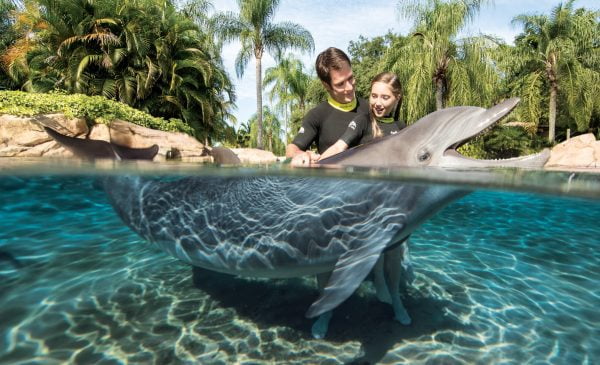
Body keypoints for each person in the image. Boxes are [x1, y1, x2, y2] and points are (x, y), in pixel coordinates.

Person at [285, 47, 369, 166]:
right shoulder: (317, 115)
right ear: (326, 85)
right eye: (340, 84)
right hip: (334, 182)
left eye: (350, 78)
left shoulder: (371, 109)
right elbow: (292, 148)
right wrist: (299, 155)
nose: (350, 87)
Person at [317, 71, 406, 161]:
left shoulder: (402, 127)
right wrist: (316, 166)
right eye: (374, 96)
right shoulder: (363, 121)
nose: (378, 103)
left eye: (385, 97)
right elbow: (338, 147)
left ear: (397, 98)